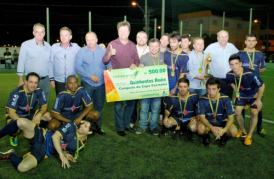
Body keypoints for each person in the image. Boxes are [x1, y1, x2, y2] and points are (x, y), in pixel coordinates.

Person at [0, 117, 98, 172]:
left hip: (44, 151)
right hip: (43, 135)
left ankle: (11, 155)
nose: (82, 126)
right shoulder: (71, 125)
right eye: (83, 123)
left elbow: (65, 149)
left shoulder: (80, 146)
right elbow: (55, 136)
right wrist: (61, 155)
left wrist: (66, 154)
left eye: (85, 126)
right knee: (21, 122)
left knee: (22, 168)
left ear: (89, 132)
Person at [103, 21, 139, 136]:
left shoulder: (133, 45)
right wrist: (109, 54)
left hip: (131, 80)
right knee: (118, 105)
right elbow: (104, 60)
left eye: (125, 31)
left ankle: (126, 125)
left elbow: (137, 60)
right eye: (121, 31)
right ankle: (119, 128)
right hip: (117, 80)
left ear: (129, 32)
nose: (123, 33)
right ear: (118, 31)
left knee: (130, 104)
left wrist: (135, 65)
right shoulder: (112, 44)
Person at [76, 32, 112, 135]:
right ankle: (84, 128)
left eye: (92, 39)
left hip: (101, 84)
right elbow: (78, 67)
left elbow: (108, 62)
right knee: (87, 106)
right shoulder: (81, 52)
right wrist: (90, 76)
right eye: (87, 40)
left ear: (96, 39)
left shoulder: (103, 51)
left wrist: (110, 66)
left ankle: (98, 127)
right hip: (87, 83)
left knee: (99, 106)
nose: (90, 42)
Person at [226, 54, 265, 146]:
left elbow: (262, 86)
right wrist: (237, 93)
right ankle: (243, 131)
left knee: (254, 112)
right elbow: (232, 83)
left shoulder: (250, 73)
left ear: (241, 63)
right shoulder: (229, 74)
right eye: (231, 64)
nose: (234, 66)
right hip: (242, 95)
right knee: (237, 111)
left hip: (254, 95)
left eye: (236, 63)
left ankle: (249, 135)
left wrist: (259, 100)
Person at [5, 72, 51, 146]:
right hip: (17, 115)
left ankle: (38, 132)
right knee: (14, 127)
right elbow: (11, 112)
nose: (33, 85)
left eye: (35, 83)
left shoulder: (39, 91)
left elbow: (45, 106)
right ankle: (13, 136)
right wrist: (23, 125)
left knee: (47, 115)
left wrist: (39, 114)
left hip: (31, 114)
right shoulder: (17, 92)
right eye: (31, 82)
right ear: (25, 82)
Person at [238, 34, 266, 137]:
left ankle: (259, 128)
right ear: (245, 42)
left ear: (256, 42)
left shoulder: (259, 54)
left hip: (256, 87)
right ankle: (243, 129)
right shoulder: (240, 54)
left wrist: (253, 76)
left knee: (257, 108)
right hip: (243, 86)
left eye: (253, 40)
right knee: (242, 108)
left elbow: (262, 69)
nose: (251, 42)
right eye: (249, 40)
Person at [135, 38, 164, 136]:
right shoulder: (144, 57)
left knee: (155, 109)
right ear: (149, 47)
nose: (154, 48)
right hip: (146, 89)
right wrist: (140, 66)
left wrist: (165, 66)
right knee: (144, 108)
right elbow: (139, 70)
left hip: (158, 88)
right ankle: (142, 125)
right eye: (152, 46)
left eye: (156, 46)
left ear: (159, 47)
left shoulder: (163, 56)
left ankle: (153, 126)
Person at [197, 77, 237, 147]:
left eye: (214, 89)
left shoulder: (226, 99)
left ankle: (224, 135)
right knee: (200, 129)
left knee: (234, 132)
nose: (211, 92)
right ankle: (207, 135)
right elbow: (202, 117)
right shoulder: (202, 99)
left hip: (222, 121)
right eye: (209, 89)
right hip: (208, 121)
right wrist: (212, 127)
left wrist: (224, 130)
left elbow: (231, 118)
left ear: (219, 89)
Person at [17, 23, 51, 102]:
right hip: (31, 80)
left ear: (44, 33)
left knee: (44, 103)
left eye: (41, 32)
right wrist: (20, 80)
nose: (39, 34)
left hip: (45, 80)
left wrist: (51, 79)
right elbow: (21, 62)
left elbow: (49, 64)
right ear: (33, 33)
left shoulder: (48, 46)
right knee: (30, 102)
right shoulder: (26, 45)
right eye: (37, 32)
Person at [204, 30, 238, 99]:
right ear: (218, 38)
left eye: (225, 37)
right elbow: (204, 60)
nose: (224, 39)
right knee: (214, 100)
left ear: (228, 37)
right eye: (221, 37)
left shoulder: (232, 47)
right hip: (215, 80)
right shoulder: (211, 47)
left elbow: (239, 58)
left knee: (227, 100)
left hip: (229, 80)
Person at [49, 27, 80, 95]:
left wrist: (99, 46)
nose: (63, 37)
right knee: (60, 102)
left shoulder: (76, 47)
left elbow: (85, 52)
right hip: (59, 81)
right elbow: (50, 64)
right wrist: (51, 79)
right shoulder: (54, 47)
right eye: (61, 35)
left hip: (72, 81)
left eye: (66, 35)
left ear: (70, 37)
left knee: (72, 102)